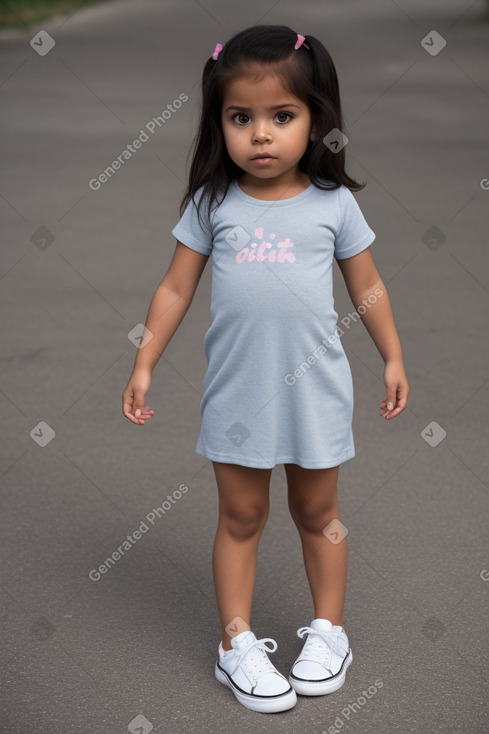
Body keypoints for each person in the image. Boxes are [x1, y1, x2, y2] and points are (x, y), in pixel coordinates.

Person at [122, 24, 409, 715]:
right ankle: (236, 642)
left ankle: (328, 633)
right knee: (241, 516)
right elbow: (175, 289)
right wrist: (144, 360)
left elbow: (367, 287)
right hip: (237, 397)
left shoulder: (333, 205)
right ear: (217, 122)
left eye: (281, 116)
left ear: (316, 121)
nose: (259, 135)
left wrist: (392, 355)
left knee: (318, 513)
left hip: (316, 392)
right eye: (239, 117)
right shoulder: (211, 204)